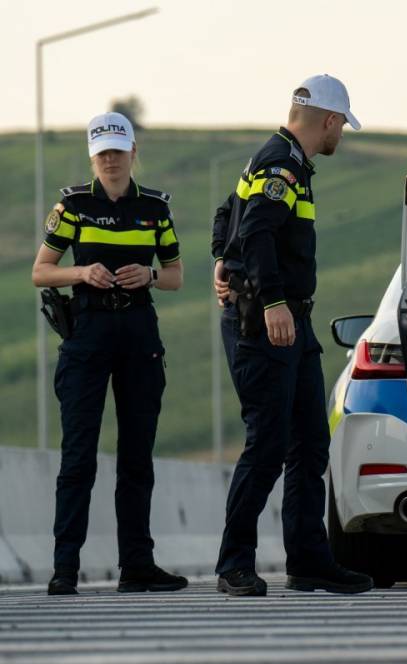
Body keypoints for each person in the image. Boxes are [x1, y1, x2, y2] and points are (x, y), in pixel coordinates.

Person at [213, 75, 373, 596]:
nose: (341, 135)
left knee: (309, 442)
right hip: (266, 323)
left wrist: (221, 257)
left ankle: (308, 560)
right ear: (328, 120)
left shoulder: (282, 161)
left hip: (291, 324)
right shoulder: (280, 163)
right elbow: (256, 229)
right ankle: (233, 563)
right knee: (269, 443)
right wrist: (273, 300)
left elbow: (227, 215)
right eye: (341, 126)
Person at [31, 112, 187, 595]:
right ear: (92, 157)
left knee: (137, 454)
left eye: (118, 151)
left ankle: (137, 565)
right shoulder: (73, 205)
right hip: (89, 329)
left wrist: (152, 277)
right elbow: (41, 270)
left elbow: (176, 274)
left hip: (139, 329)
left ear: (133, 152)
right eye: (103, 153)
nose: (111, 160)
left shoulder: (156, 209)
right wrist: (82, 274)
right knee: (79, 454)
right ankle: (65, 568)